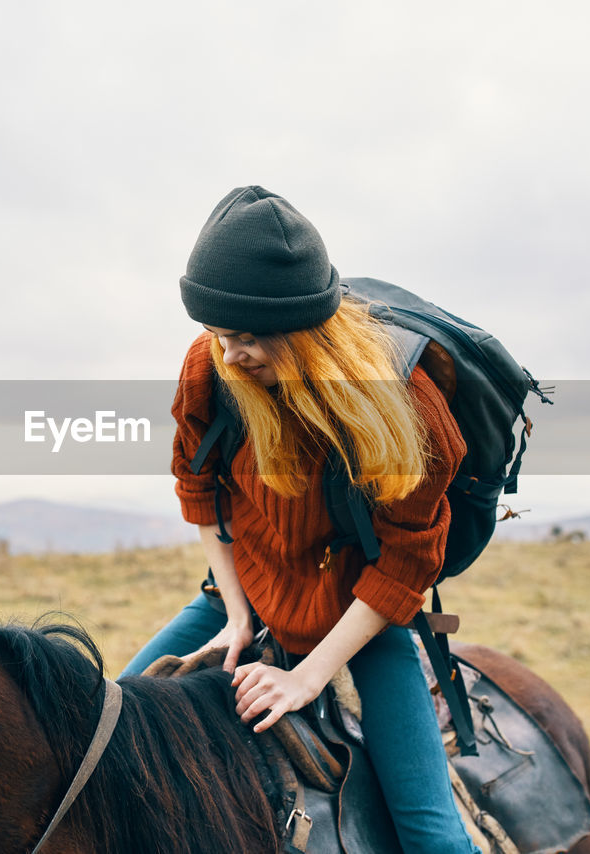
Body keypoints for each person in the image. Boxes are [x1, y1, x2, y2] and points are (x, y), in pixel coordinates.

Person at [121, 185, 480, 853]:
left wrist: (306, 675)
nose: (230, 357)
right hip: (246, 589)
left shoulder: (409, 407)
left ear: (308, 332)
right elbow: (199, 489)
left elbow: (404, 566)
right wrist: (235, 615)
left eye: (250, 338)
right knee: (105, 736)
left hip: (360, 617)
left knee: (433, 838)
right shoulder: (211, 366)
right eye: (219, 335)